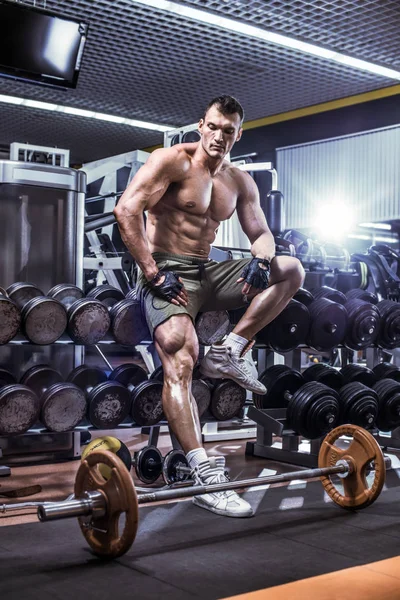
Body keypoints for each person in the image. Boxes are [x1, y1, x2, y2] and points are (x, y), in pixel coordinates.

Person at [114, 95, 304, 518]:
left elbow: (262, 232)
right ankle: (204, 475)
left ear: (240, 134)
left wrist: (260, 259)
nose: (219, 136)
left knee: (290, 269)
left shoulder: (239, 181)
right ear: (201, 125)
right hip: (165, 271)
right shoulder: (171, 163)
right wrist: (151, 272)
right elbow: (126, 210)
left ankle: (231, 349)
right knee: (182, 354)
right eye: (214, 127)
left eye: (229, 130)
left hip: (205, 271)